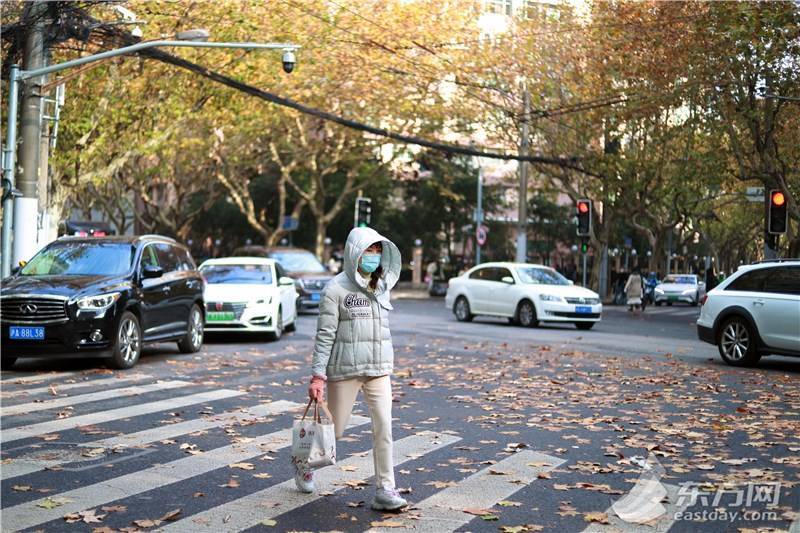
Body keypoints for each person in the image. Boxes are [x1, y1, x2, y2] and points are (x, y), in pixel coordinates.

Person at [303, 226, 407, 511]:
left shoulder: (381, 285)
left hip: (377, 368)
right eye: (367, 251)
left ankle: (385, 489)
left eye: (377, 251)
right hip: (345, 369)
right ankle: (304, 464)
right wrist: (317, 376)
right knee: (334, 432)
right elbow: (325, 335)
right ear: (354, 253)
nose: (373, 256)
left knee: (384, 427)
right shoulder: (335, 289)